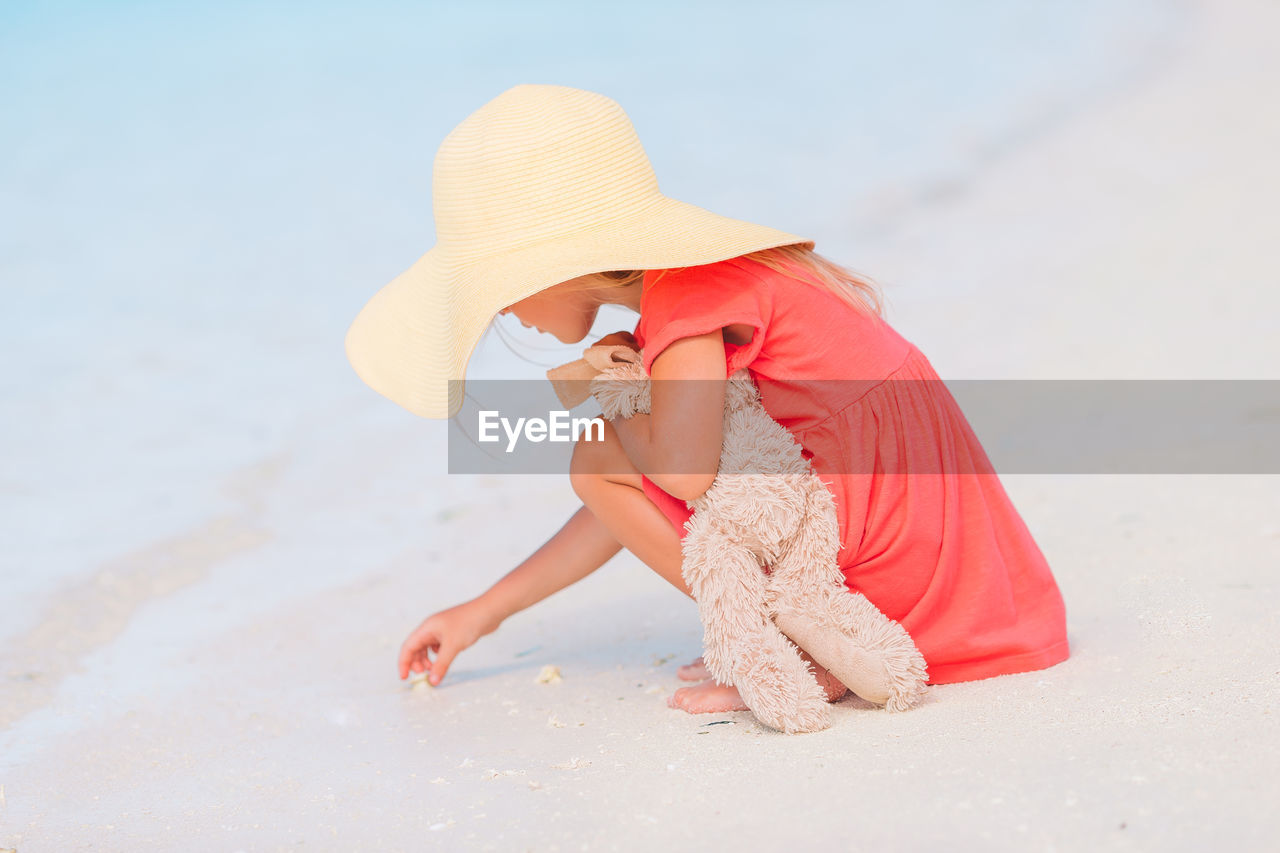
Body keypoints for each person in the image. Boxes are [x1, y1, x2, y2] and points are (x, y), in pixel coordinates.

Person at [345, 84, 1069, 715]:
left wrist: (606, 404)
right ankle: (787, 635)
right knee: (608, 455)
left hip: (907, 551)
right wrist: (484, 613)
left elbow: (677, 477)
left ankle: (784, 654)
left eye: (497, 289)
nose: (503, 314)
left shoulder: (688, 301)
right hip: (935, 541)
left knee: (599, 451)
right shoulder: (694, 287)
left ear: (559, 264)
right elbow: (631, 501)